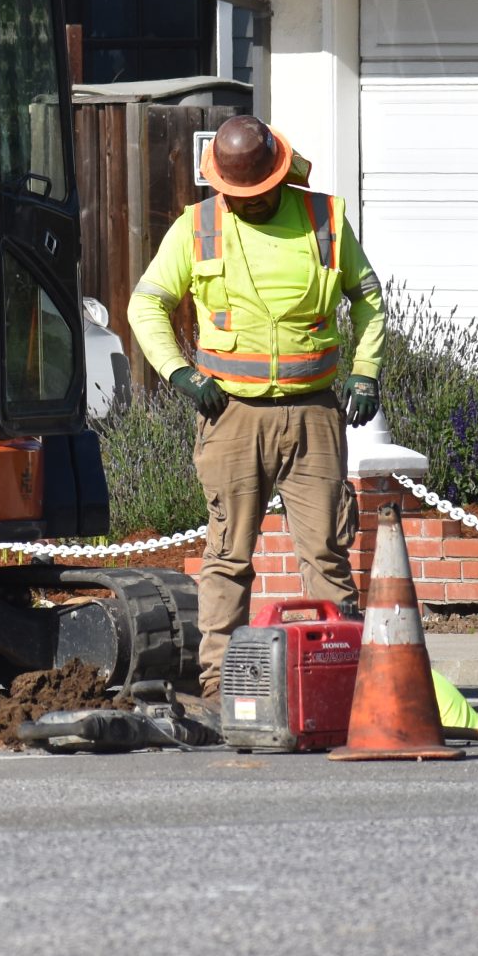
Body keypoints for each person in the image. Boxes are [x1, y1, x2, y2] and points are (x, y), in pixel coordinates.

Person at [126, 114, 385, 694]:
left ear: (279, 174)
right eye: (238, 194)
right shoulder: (197, 227)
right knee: (227, 556)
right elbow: (146, 306)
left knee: (326, 553)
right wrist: (179, 373)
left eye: (261, 193)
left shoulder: (325, 219)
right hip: (231, 416)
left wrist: (365, 374)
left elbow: (368, 299)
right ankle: (220, 687)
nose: (250, 203)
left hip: (314, 411)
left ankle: (342, 680)